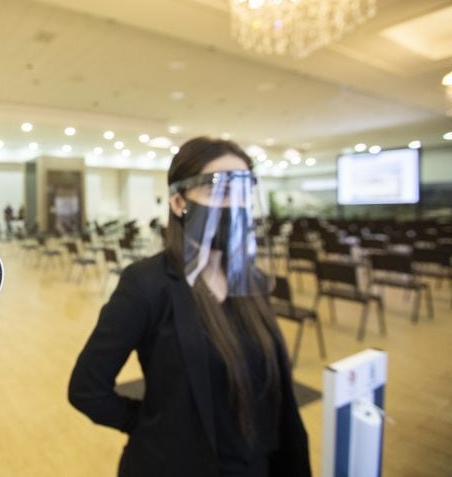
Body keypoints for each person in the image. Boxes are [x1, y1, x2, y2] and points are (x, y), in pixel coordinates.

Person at [68, 136, 310, 477]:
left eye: (242, 192)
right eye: (219, 190)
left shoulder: (250, 280)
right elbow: (87, 389)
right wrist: (153, 426)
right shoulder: (147, 284)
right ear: (179, 201)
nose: (234, 205)